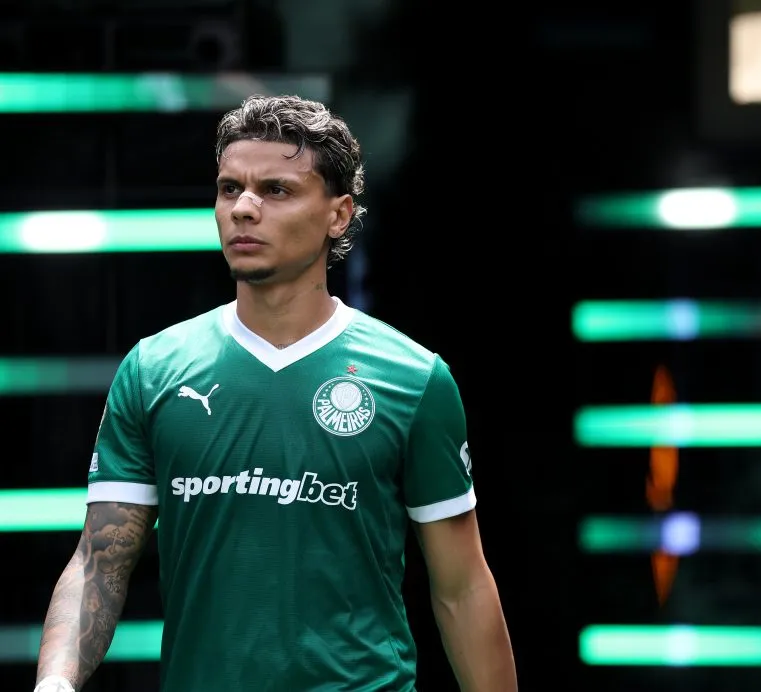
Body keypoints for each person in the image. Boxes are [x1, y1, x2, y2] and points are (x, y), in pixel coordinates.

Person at [33, 94, 517, 692]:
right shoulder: (153, 370)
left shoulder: (414, 378)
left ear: (338, 215)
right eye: (229, 188)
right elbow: (98, 561)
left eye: (276, 190)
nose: (243, 208)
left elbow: (462, 588)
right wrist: (55, 683)